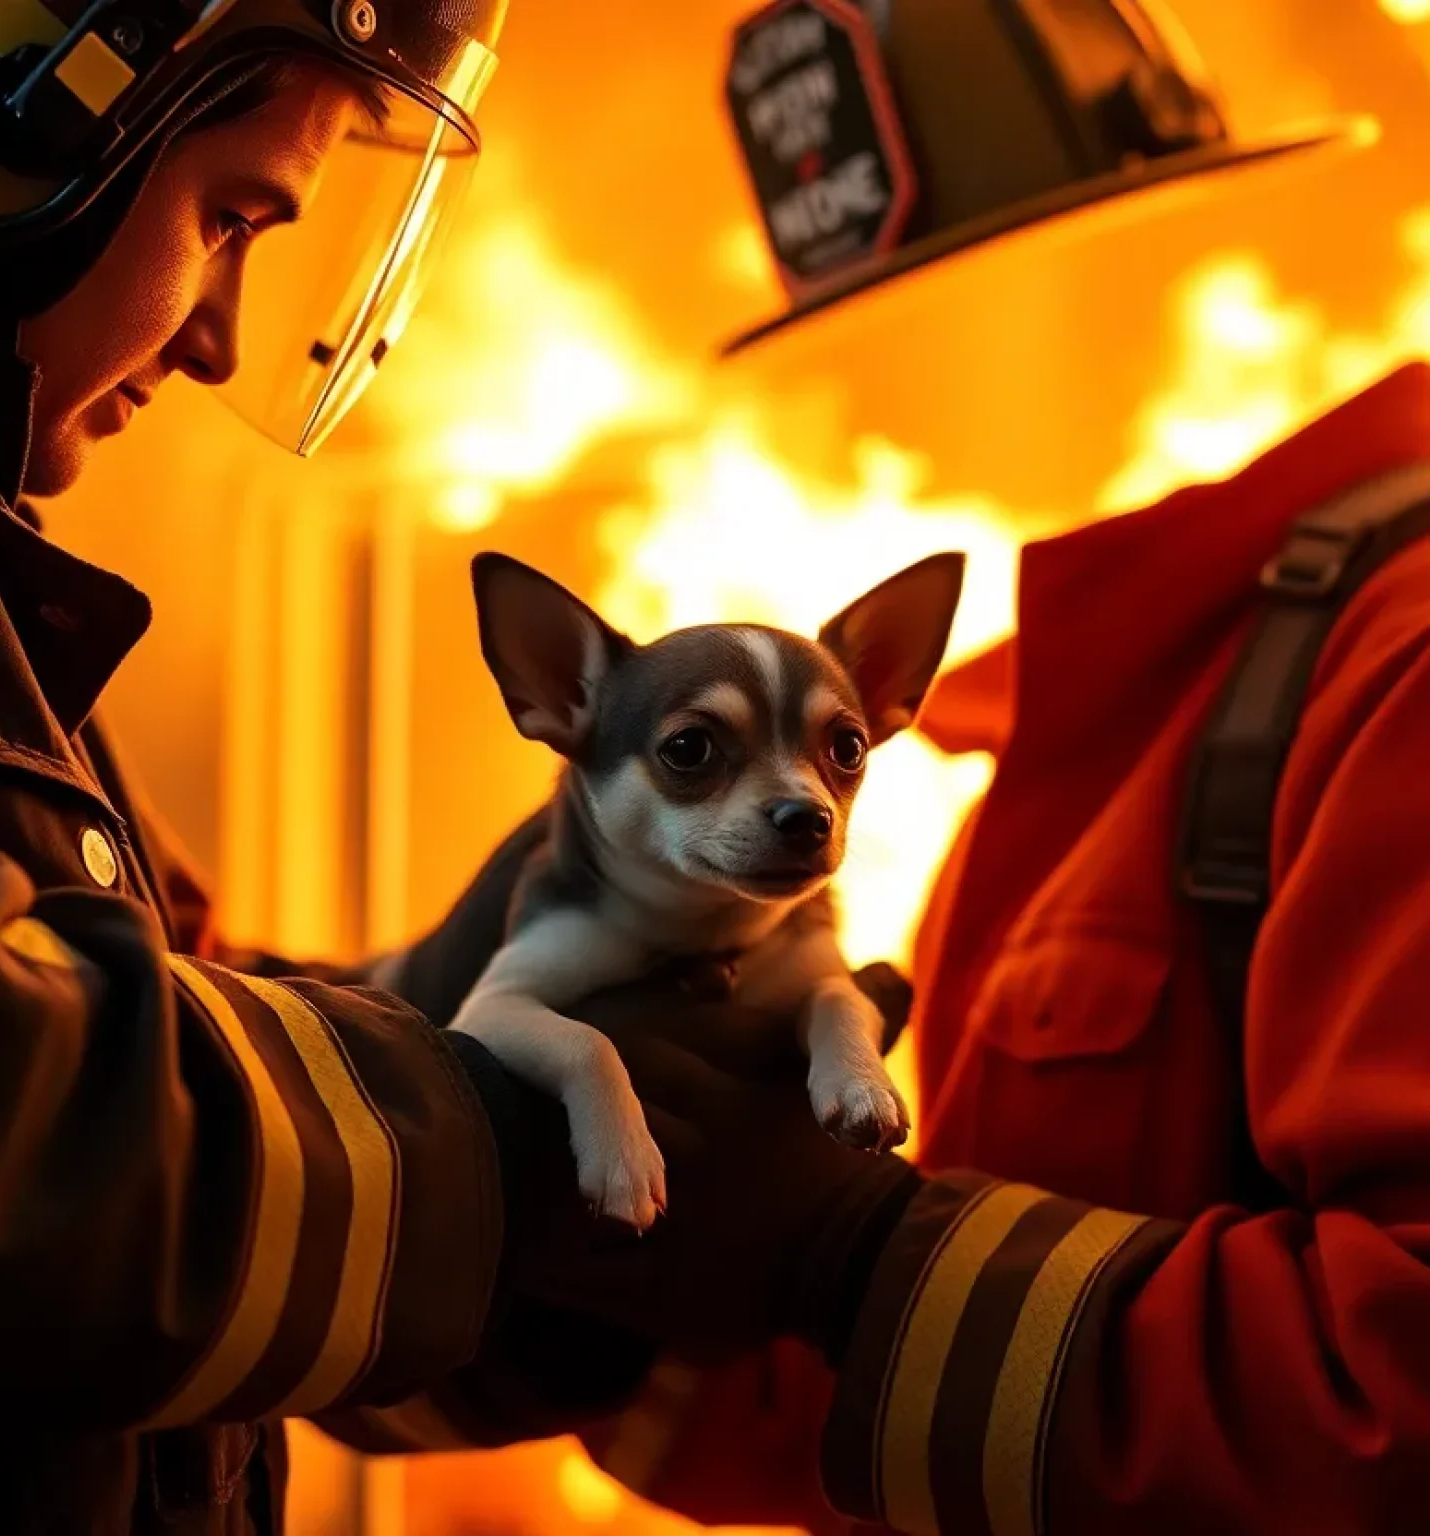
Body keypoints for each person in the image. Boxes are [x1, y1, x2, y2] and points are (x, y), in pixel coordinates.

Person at [394, 5, 1430, 1535]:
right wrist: (567, 1255)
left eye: (997, 290)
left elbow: (1394, 1406)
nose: (912, 383)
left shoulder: (1392, 667)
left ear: (1209, 259)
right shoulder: (1090, 719)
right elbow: (871, 1413)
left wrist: (864, 1262)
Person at [0, 1, 895, 1530]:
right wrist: (506, 1151)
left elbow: (191, 1188)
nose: (221, 332)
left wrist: (606, 1228)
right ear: (4, 99)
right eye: (229, 216)